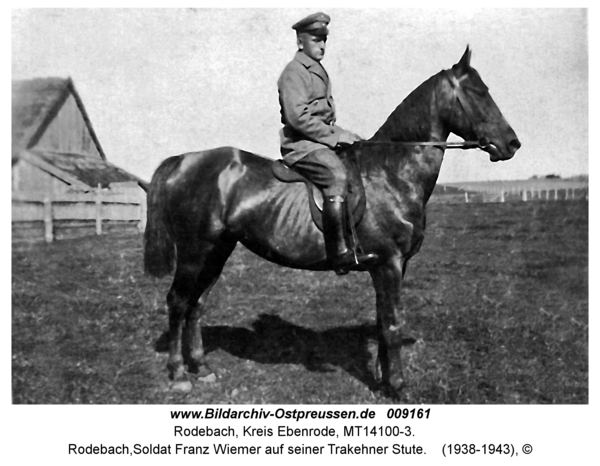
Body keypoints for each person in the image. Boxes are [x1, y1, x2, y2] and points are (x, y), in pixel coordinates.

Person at [277, 12, 378, 275]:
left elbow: (323, 118)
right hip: (301, 146)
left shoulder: (316, 69)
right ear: (301, 42)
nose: (322, 45)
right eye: (315, 40)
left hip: (317, 142)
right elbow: (297, 118)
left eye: (324, 40)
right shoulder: (294, 73)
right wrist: (335, 137)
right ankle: (339, 253)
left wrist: (345, 134)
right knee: (336, 176)